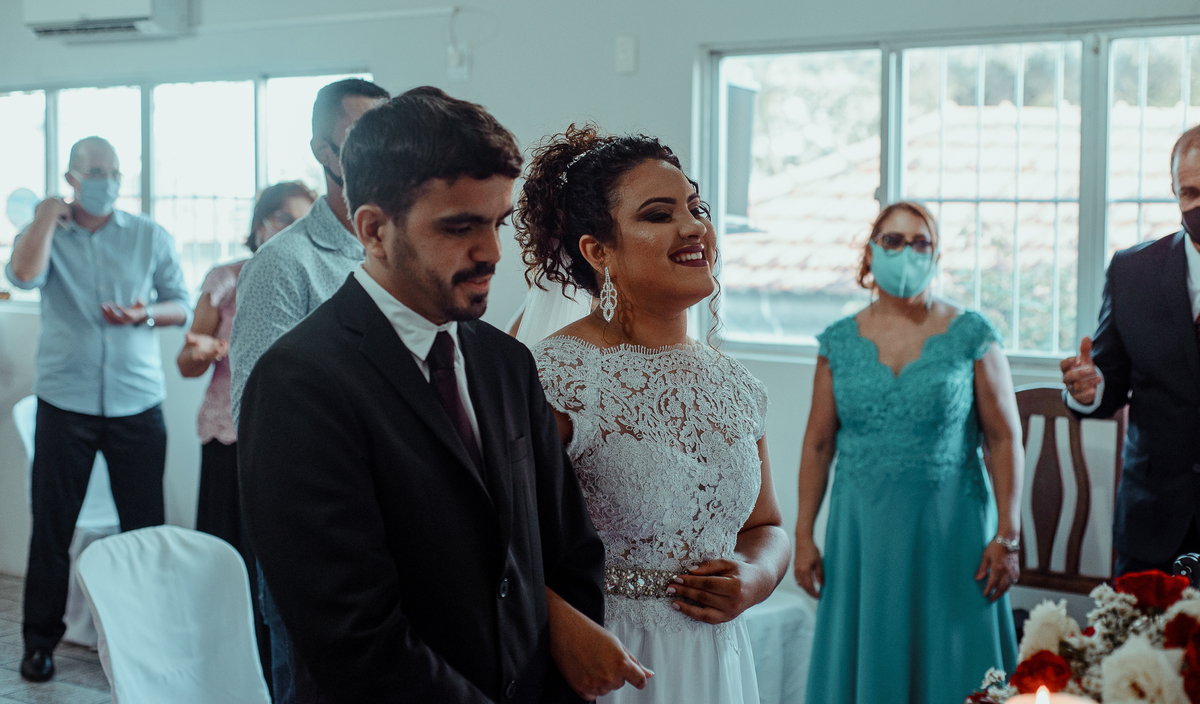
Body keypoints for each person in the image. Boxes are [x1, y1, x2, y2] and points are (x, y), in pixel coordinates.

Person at [238, 87, 607, 703]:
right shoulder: (298, 384)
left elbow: (569, 551)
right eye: (459, 227)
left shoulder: (506, 363)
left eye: (497, 223)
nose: (491, 253)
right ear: (375, 230)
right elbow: (352, 636)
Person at [515, 124, 791, 703]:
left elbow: (765, 527)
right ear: (599, 251)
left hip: (717, 663)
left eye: (697, 208)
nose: (694, 227)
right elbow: (498, 542)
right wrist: (565, 630)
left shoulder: (736, 385)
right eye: (659, 215)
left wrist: (754, 577)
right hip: (608, 659)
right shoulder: (557, 379)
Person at [794, 201, 1021, 704]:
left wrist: (1008, 534)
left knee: (953, 660)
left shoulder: (972, 334)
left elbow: (1004, 438)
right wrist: (803, 535)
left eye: (921, 243)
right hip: (862, 532)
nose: (906, 252)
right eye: (893, 240)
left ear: (936, 256)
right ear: (870, 253)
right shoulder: (838, 341)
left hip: (952, 528)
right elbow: (818, 443)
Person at [4, 136, 191, 683]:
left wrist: (143, 315)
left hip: (138, 405)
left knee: (144, 531)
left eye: (113, 172)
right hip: (65, 404)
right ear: (71, 178)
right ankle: (39, 643)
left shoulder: (149, 235)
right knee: (52, 529)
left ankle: (145, 641)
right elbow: (21, 276)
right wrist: (44, 217)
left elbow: (180, 304)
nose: (106, 181)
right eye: (94, 172)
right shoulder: (47, 233)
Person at [227, 78, 387, 702]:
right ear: (325, 151)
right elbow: (258, 417)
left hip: (392, 531)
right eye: (362, 135)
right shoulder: (283, 264)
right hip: (315, 541)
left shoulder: (403, 254)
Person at [175, 180, 314, 684]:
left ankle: (271, 672)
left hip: (291, 441)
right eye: (284, 220)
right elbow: (187, 360)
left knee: (278, 565)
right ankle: (223, 667)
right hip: (228, 436)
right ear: (259, 226)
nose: (294, 232)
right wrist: (206, 349)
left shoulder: (311, 275)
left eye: (305, 223)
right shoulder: (227, 279)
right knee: (226, 559)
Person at [1060, 125, 1200, 577]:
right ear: (1175, 193)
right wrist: (1089, 391)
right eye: (1191, 193)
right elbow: (1108, 380)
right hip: (1152, 519)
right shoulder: (1132, 271)